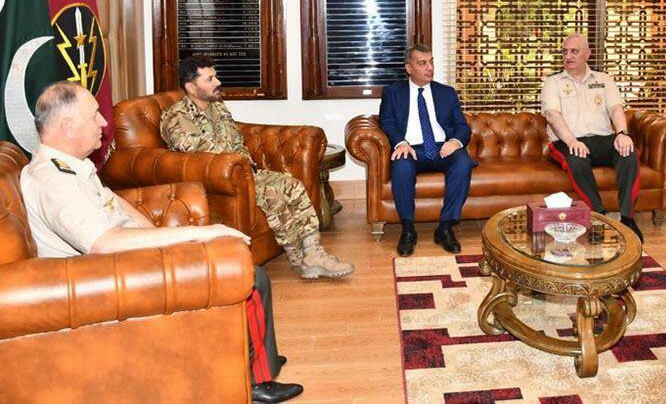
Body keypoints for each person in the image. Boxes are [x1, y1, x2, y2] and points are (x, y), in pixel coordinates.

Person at [20, 82, 303, 403]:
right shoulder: (55, 182)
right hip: (105, 280)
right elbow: (104, 243)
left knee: (232, 261)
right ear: (68, 126)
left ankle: (256, 353)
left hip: (120, 264)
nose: (103, 122)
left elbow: (113, 202)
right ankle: (255, 379)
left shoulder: (69, 165)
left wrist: (160, 237)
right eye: (94, 115)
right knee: (251, 277)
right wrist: (197, 234)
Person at [160, 56, 353, 280]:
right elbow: (197, 154)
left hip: (243, 173)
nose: (218, 82)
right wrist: (239, 169)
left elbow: (237, 142)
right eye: (209, 79)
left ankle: (314, 253)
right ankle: (300, 259)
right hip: (217, 183)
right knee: (274, 196)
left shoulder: (218, 108)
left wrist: (246, 166)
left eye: (216, 76)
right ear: (191, 87)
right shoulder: (177, 117)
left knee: (293, 186)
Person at [541, 33, 644, 242]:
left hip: (601, 138)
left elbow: (615, 108)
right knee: (576, 159)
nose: (568, 56)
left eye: (574, 51)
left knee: (628, 152)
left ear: (588, 54)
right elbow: (552, 115)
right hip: (566, 140)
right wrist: (572, 141)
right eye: (565, 51)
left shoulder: (604, 80)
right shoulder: (553, 82)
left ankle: (627, 218)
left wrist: (622, 133)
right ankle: (598, 217)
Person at [379, 44, 475, 257]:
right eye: (422, 63)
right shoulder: (393, 93)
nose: (429, 68)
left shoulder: (446, 93)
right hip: (411, 148)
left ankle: (445, 228)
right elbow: (387, 122)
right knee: (401, 165)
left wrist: (455, 142)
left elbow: (462, 126)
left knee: (463, 162)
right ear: (409, 68)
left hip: (442, 148)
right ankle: (408, 231)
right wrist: (400, 142)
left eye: (431, 62)